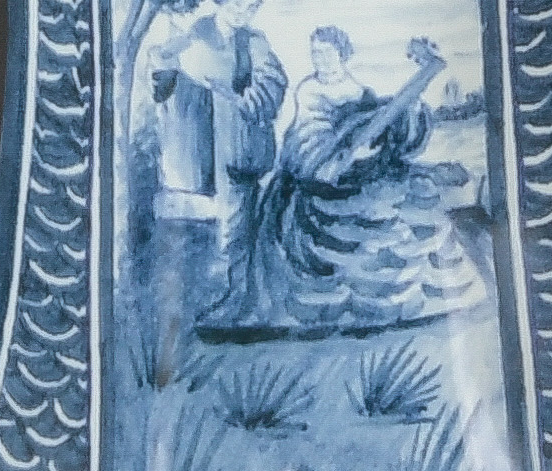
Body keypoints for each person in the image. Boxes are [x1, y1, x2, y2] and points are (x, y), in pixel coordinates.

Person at [202, 27, 483, 339]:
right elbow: (307, 134)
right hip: (315, 175)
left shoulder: (359, 91)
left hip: (356, 179)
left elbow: (375, 127)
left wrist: (378, 139)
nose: (320, 58)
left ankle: (389, 300)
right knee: (286, 228)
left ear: (343, 54)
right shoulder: (308, 90)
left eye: (327, 52)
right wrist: (335, 159)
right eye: (315, 52)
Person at [140, 0, 287, 266]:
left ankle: (235, 279)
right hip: (197, 147)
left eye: (251, 7)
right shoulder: (196, 35)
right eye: (237, 4)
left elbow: (273, 83)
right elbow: (161, 67)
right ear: (219, 2)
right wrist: (168, 73)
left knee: (237, 231)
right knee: (198, 231)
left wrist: (239, 99)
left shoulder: (255, 42)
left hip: (238, 147)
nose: (243, 12)